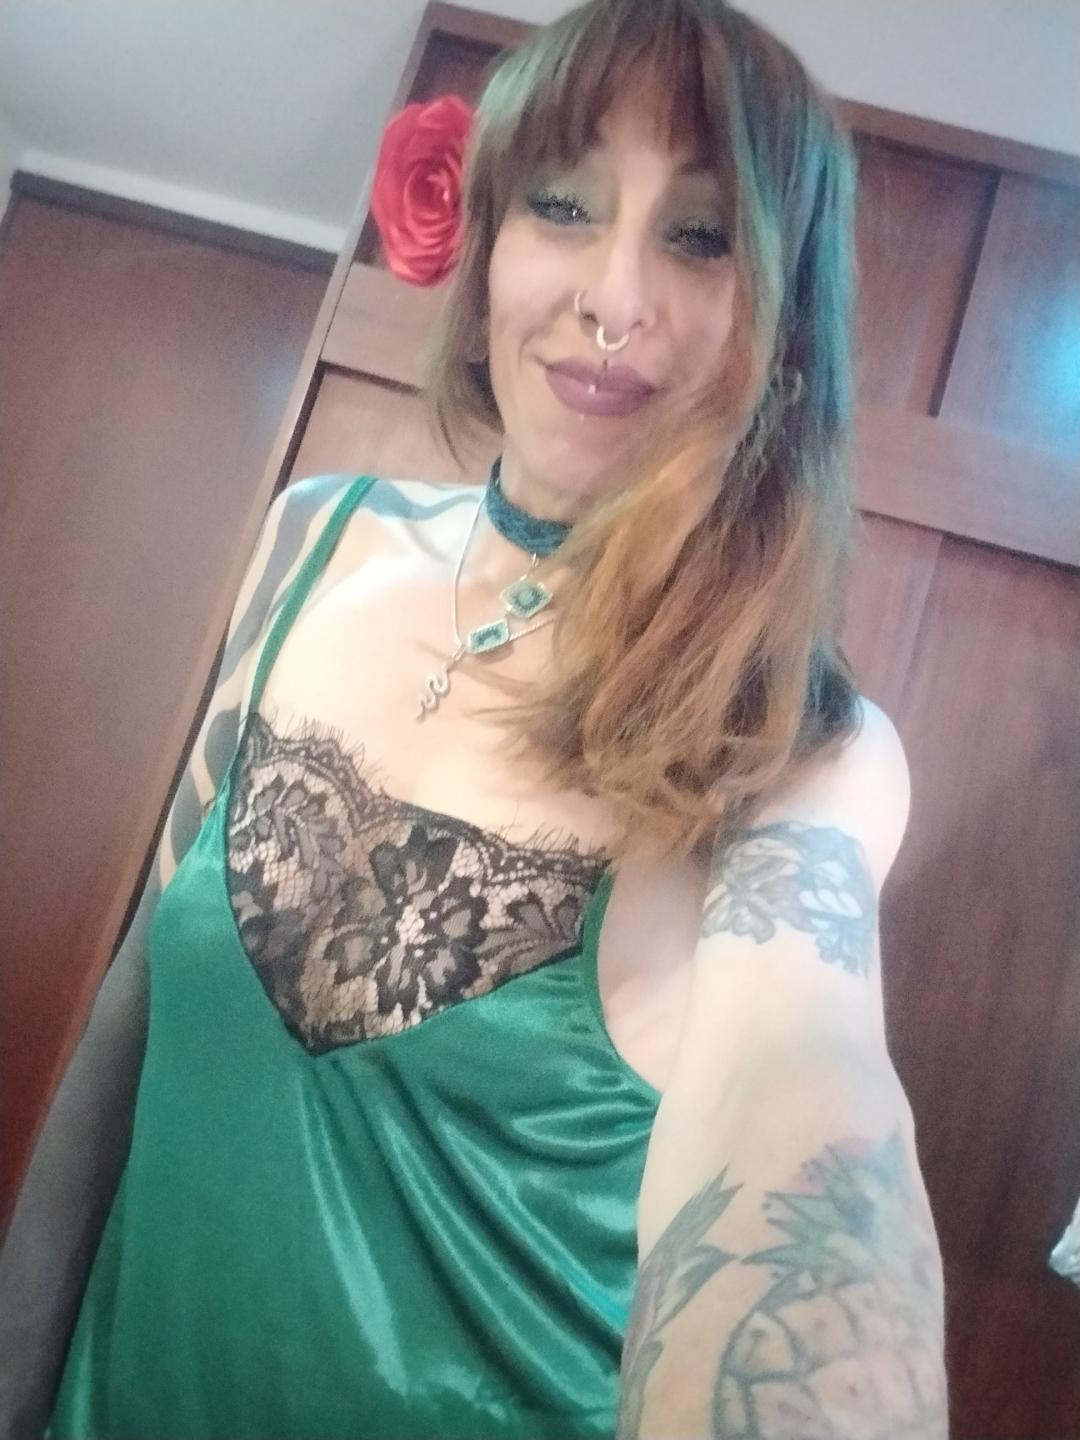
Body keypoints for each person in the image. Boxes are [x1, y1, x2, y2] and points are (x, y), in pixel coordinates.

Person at [0, 0, 949, 1436]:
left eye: (700, 236)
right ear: (492, 242)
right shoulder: (315, 538)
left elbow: (801, 1093)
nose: (615, 296)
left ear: (782, 321)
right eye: (565, 206)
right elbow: (138, 1010)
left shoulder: (804, 755)